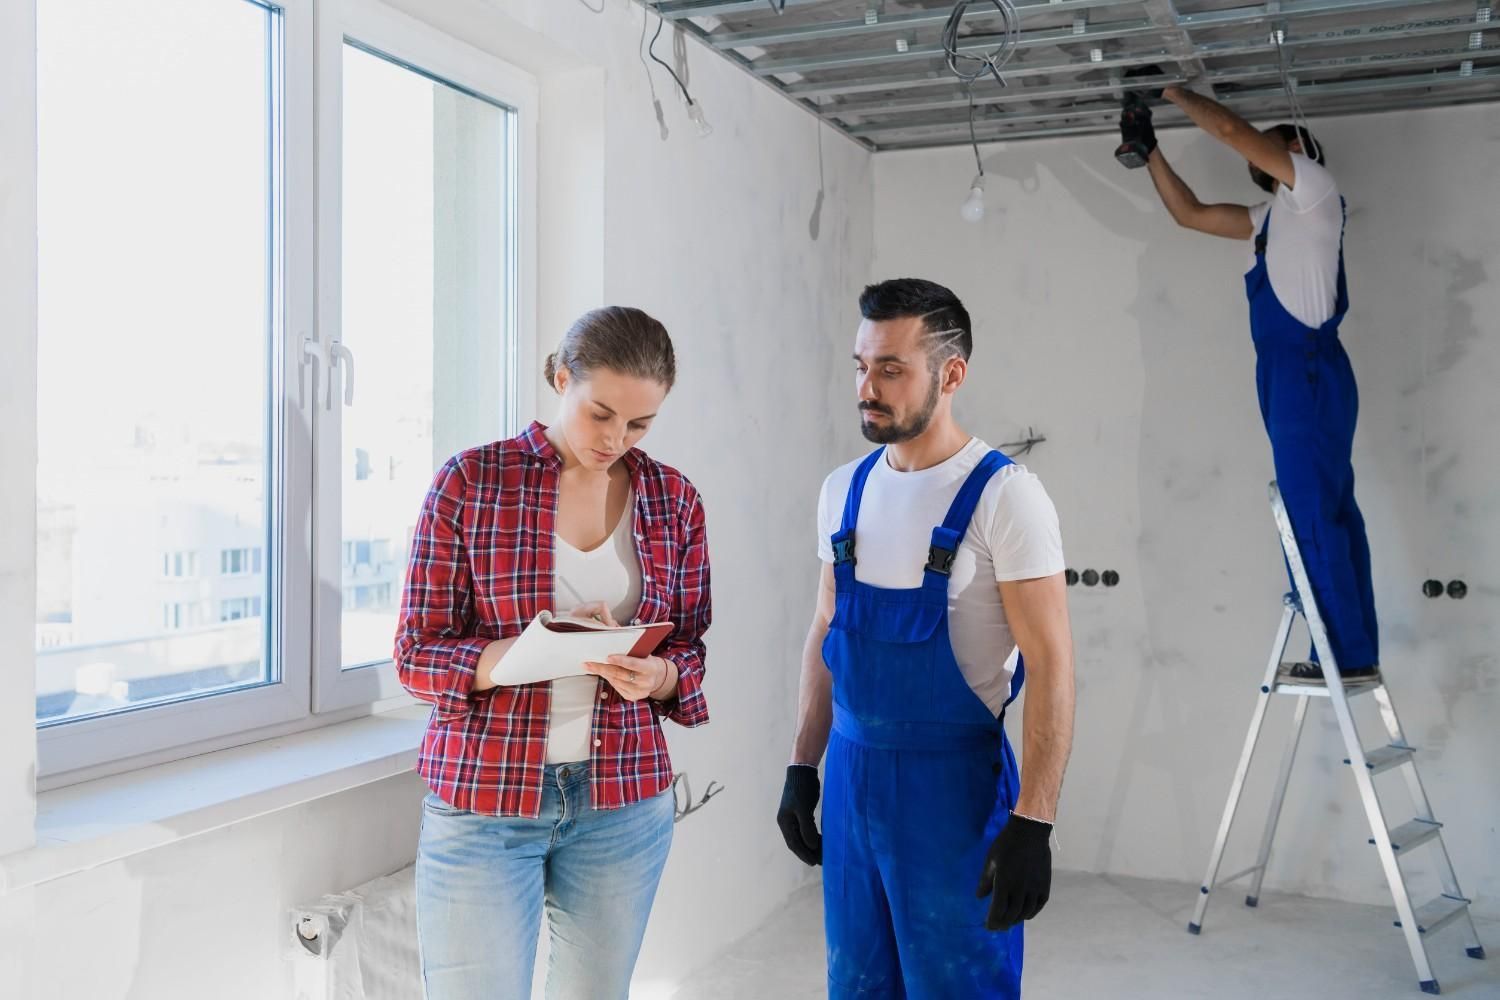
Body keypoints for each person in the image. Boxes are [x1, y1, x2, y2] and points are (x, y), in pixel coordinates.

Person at [394, 306, 711, 1000]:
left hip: (623, 803)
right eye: (601, 414)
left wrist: (655, 674)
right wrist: (534, 649)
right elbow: (416, 654)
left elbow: (688, 649)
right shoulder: (472, 483)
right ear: (562, 377)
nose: (616, 439)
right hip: (484, 800)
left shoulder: (673, 499)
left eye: (639, 424)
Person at [777, 278, 1076, 998]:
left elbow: (1053, 665)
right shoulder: (841, 490)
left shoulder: (1007, 497)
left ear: (951, 375)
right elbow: (826, 629)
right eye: (860, 365)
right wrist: (801, 767)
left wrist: (1033, 820)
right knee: (857, 984)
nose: (867, 387)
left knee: (957, 986)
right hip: (851, 777)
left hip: (956, 790)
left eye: (890, 369)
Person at [1129, 73, 1379, 678]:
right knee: (1318, 509)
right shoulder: (1265, 221)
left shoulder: (1315, 192)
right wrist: (1149, 149)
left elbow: (1230, 130)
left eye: (1283, 142)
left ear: (1303, 152)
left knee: (1314, 512)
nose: (1273, 149)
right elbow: (1188, 214)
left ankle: (1342, 655)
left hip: (1309, 372)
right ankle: (1346, 648)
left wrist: (1173, 92)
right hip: (1284, 378)